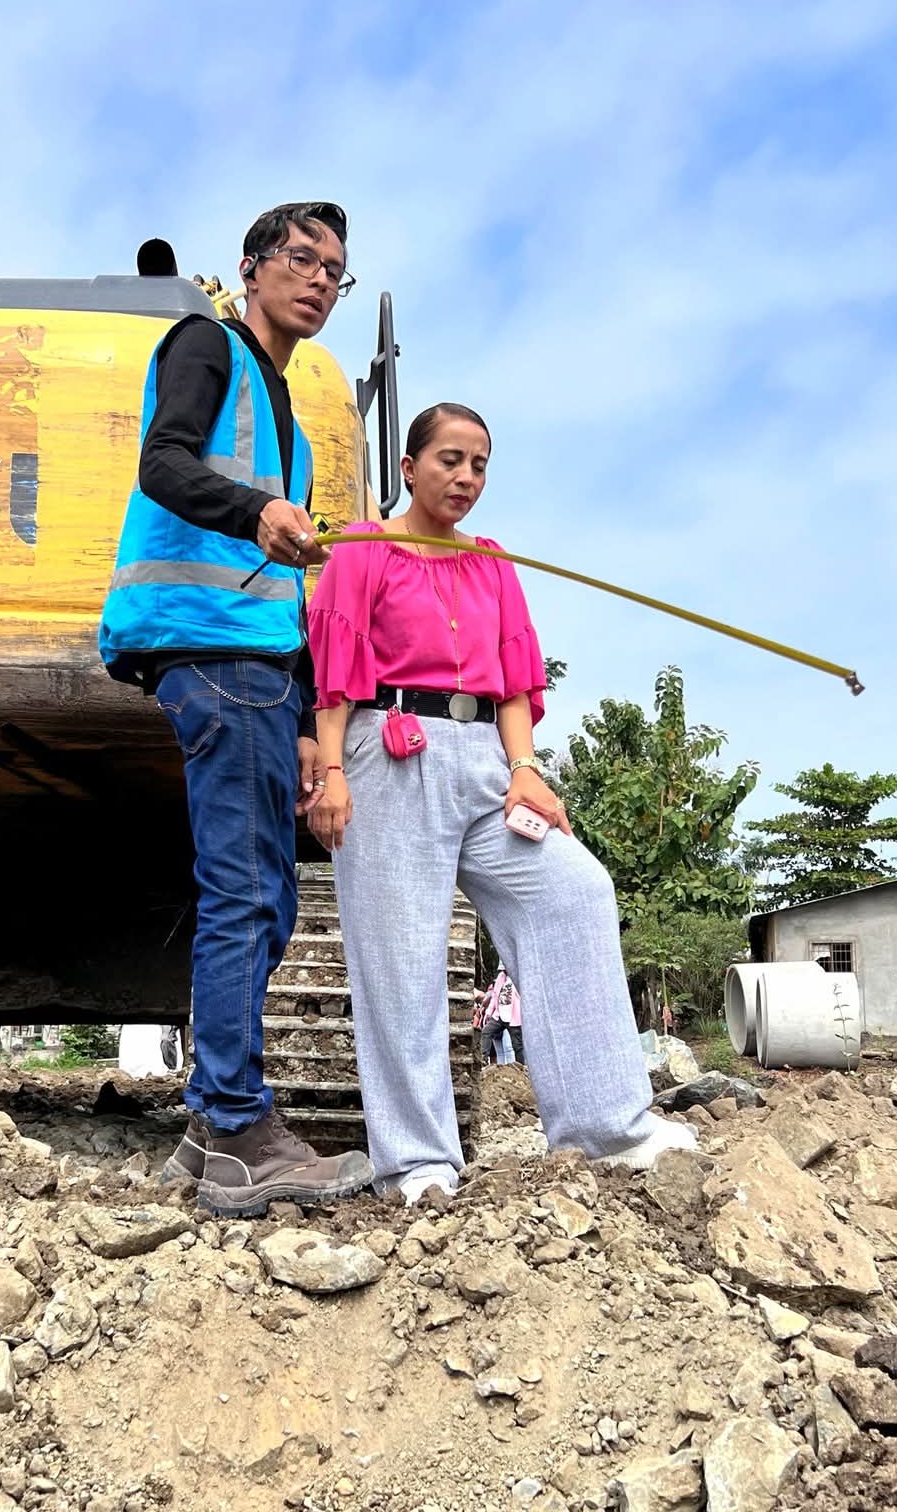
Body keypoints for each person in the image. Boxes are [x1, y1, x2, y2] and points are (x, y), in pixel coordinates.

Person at [304, 403, 696, 1204]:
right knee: (401, 956)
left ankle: (605, 1126)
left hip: (485, 759)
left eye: (479, 465)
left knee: (574, 892)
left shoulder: (491, 564)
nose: (466, 477)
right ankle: (417, 1164)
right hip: (392, 747)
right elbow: (336, 669)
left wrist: (526, 769)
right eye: (449, 460)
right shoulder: (364, 547)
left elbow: (516, 682)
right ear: (408, 468)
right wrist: (333, 770)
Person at [98, 201, 373, 1217]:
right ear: (251, 268)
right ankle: (237, 1129)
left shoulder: (283, 409)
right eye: (301, 258)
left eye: (335, 270)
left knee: (265, 898)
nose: (319, 279)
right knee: (245, 894)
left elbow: (281, 590)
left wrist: (302, 720)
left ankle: (207, 1131)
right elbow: (161, 462)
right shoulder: (205, 345)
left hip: (252, 665)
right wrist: (256, 509)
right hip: (208, 649)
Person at [478, 968, 524, 1066]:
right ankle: (483, 1061)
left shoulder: (519, 976)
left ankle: (521, 1067)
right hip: (499, 1014)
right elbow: (495, 996)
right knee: (486, 1032)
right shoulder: (501, 976)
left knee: (517, 1045)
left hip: (513, 1015)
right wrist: (489, 1012)